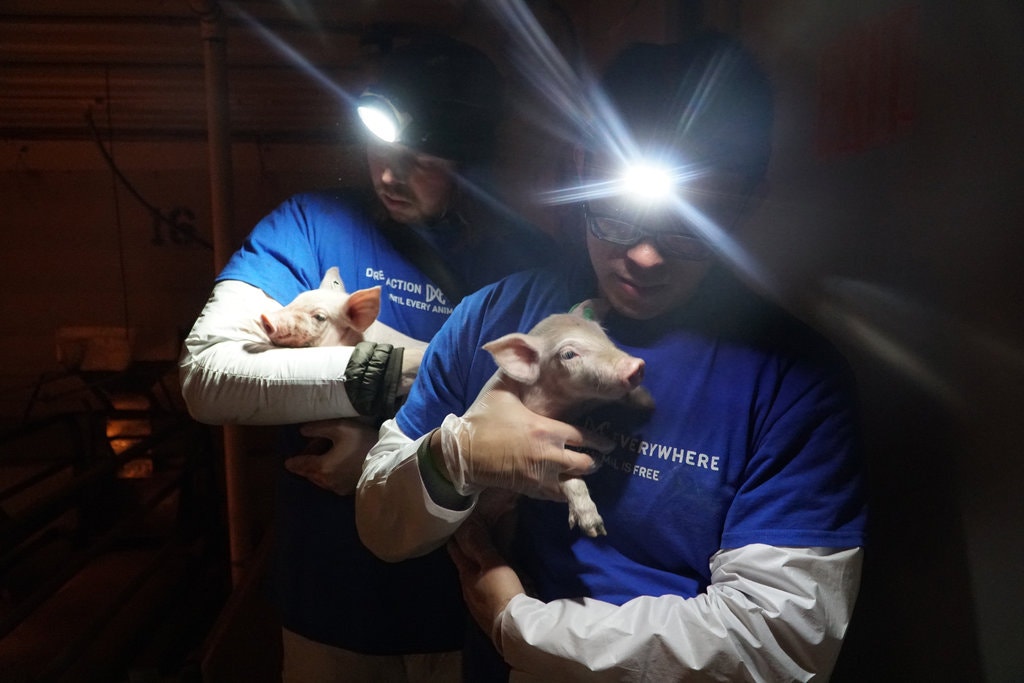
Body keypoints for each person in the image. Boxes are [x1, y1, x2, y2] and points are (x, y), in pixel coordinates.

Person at [356, 30, 868, 681]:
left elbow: (781, 638)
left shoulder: (794, 382)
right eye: (619, 212)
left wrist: (525, 628)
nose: (645, 254)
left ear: (746, 205)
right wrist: (450, 456)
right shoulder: (496, 316)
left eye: (690, 219)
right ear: (581, 172)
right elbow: (380, 522)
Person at [179, 36, 556, 682]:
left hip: (476, 605)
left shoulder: (526, 263)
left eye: (421, 156)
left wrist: (383, 454)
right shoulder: (310, 225)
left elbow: (545, 427)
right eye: (379, 141)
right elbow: (207, 377)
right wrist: (391, 380)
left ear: (469, 155)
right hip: (332, 609)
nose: (388, 171)